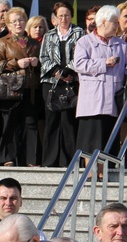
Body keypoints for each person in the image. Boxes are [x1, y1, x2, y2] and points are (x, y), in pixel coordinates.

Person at [74, 5, 127, 160]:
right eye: (114, 22)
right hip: (92, 102)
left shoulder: (122, 45)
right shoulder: (84, 42)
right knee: (89, 144)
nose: (117, 25)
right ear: (103, 22)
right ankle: (90, 177)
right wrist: (103, 63)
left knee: (109, 143)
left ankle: (107, 176)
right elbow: (79, 64)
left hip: (113, 102)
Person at [0, 7, 42, 167]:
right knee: (10, 124)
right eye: (14, 21)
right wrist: (16, 63)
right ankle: (8, 157)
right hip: (11, 88)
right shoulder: (2, 42)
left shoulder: (34, 42)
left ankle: (31, 159)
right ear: (8, 25)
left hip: (29, 88)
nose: (18, 23)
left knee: (30, 123)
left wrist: (37, 63)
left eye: (21, 19)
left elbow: (43, 64)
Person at [40, 1, 84, 168]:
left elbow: (82, 55)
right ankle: (49, 162)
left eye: (66, 15)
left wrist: (69, 71)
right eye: (60, 16)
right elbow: (43, 58)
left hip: (71, 82)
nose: (64, 19)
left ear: (71, 16)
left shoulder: (80, 33)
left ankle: (71, 161)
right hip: (51, 83)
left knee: (69, 123)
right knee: (51, 122)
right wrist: (57, 72)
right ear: (55, 18)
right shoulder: (48, 35)